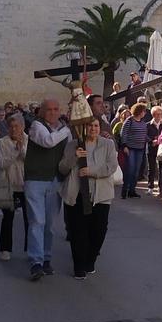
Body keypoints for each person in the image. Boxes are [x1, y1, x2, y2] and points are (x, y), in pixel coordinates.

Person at [58, 118, 116, 279]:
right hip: (77, 194)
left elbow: (111, 166)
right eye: (90, 126)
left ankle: (90, 260)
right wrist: (74, 157)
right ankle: (79, 266)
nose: (93, 129)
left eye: (96, 126)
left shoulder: (107, 144)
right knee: (78, 232)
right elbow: (62, 168)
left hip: (101, 195)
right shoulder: (73, 144)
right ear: (84, 128)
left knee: (99, 230)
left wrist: (91, 171)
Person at [24, 99, 72, 281]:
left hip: (54, 180)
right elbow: (48, 141)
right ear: (41, 112)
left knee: (50, 224)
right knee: (37, 221)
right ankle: (36, 261)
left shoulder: (62, 129)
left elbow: (69, 148)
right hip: (36, 179)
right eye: (49, 109)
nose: (52, 112)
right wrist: (67, 129)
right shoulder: (37, 126)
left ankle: (46, 258)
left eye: (55, 109)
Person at [0, 114, 29, 261]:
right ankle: (5, 248)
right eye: (11, 126)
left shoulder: (29, 140)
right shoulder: (3, 142)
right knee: (8, 218)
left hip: (26, 185)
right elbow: (1, 164)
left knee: (30, 219)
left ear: (23, 127)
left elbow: (31, 161)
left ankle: (31, 248)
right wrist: (15, 151)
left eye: (17, 126)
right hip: (8, 184)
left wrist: (21, 150)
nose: (14, 129)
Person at [120, 103, 149, 199]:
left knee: (136, 171)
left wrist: (151, 140)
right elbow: (123, 133)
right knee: (130, 170)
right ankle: (125, 190)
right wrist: (124, 146)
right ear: (139, 111)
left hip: (140, 149)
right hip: (130, 149)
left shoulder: (143, 123)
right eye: (143, 111)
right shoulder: (129, 120)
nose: (145, 113)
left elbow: (144, 135)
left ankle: (132, 190)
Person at [147, 106, 162, 196]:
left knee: (161, 169)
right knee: (151, 168)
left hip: (161, 149)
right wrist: (151, 141)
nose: (159, 116)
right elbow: (145, 136)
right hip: (152, 148)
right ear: (153, 115)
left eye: (160, 114)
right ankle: (150, 187)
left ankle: (160, 187)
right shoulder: (148, 125)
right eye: (157, 114)